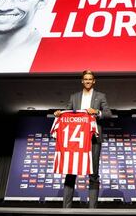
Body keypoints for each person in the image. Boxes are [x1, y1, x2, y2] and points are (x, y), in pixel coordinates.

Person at [54, 70, 112, 208]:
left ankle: (92, 210)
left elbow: (108, 114)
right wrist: (59, 114)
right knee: (71, 172)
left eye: (90, 79)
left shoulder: (100, 96)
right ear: (82, 81)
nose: (87, 81)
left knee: (93, 174)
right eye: (85, 79)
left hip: (93, 139)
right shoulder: (74, 97)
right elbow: (66, 112)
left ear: (94, 81)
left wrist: (97, 112)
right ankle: (66, 208)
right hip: (75, 141)